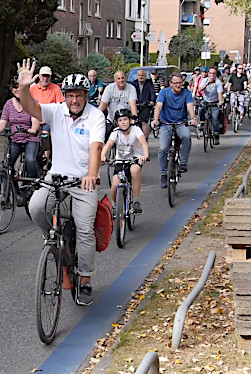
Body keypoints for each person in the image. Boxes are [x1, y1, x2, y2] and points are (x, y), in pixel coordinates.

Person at [17, 58, 105, 306]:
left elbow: (96, 147)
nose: (74, 100)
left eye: (79, 95)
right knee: (35, 207)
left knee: (85, 228)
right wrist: (24, 87)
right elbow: (32, 108)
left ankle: (85, 279)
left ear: (86, 96)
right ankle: (53, 244)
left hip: (83, 181)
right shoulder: (57, 111)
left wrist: (91, 173)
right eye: (70, 96)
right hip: (56, 175)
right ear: (64, 96)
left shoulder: (95, 117)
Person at [0, 77, 42, 178]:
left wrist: (33, 129)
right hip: (15, 139)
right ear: (12, 89)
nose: (18, 89)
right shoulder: (8, 104)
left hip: (30, 138)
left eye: (21, 87)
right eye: (15, 87)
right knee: (7, 163)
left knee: (30, 160)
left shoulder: (32, 102)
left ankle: (34, 184)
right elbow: (2, 122)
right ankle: (9, 187)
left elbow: (35, 119)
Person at [151, 73, 197, 189]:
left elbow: (190, 106)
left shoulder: (186, 93)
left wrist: (193, 118)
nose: (178, 85)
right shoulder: (164, 93)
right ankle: (163, 174)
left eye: (180, 83)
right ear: (170, 84)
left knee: (186, 137)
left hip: (181, 123)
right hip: (166, 124)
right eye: (175, 83)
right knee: (163, 149)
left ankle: (183, 162)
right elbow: (159, 106)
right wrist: (155, 119)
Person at [101, 108, 148, 213]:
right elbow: (109, 144)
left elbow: (143, 142)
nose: (123, 122)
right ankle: (114, 205)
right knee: (114, 184)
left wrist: (145, 155)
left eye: (125, 119)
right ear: (117, 123)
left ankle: (136, 202)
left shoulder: (136, 129)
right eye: (120, 120)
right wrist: (103, 155)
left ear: (130, 120)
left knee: (134, 170)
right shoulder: (116, 132)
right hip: (121, 160)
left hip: (134, 159)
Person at [30, 66, 64, 169]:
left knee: (45, 135)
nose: (45, 78)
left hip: (48, 119)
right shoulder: (33, 89)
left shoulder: (55, 88)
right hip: (34, 118)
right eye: (43, 76)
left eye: (47, 76)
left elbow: (60, 105)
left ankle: (47, 161)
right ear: (39, 76)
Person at [197, 66, 224, 145]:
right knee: (201, 110)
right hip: (206, 100)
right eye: (211, 73)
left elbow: (219, 93)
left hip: (215, 102)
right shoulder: (204, 80)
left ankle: (216, 135)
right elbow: (200, 89)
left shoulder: (218, 82)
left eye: (214, 73)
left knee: (215, 118)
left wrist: (220, 101)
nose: (212, 75)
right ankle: (202, 124)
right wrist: (207, 84)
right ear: (208, 74)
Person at [129, 69, 156, 139]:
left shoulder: (149, 83)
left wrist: (152, 101)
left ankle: (145, 139)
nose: (140, 77)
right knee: (132, 121)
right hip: (135, 104)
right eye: (139, 75)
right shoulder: (133, 84)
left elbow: (152, 92)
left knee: (144, 121)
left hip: (145, 104)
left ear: (145, 76)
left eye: (142, 75)